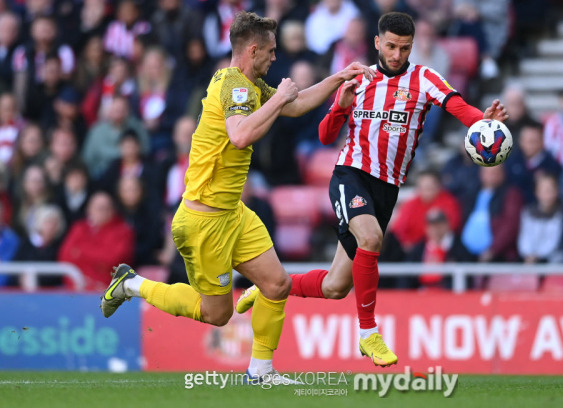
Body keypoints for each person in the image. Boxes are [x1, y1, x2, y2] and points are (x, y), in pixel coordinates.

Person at [100, 11, 374, 383]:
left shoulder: (247, 84)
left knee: (277, 285)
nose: (275, 58)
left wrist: (338, 78)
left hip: (232, 212)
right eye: (272, 52)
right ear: (254, 49)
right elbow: (241, 136)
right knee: (217, 315)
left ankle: (260, 371)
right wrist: (278, 100)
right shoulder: (234, 85)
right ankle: (132, 285)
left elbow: (293, 105)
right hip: (204, 220)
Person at [237, 12, 508, 367]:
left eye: (405, 48)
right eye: (391, 46)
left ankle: (269, 288)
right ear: (378, 42)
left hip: (387, 187)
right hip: (350, 174)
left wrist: (483, 120)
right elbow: (324, 135)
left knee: (336, 286)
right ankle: (368, 333)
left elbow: (458, 107)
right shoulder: (358, 78)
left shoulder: (424, 78)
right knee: (372, 238)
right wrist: (341, 107)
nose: (397, 54)